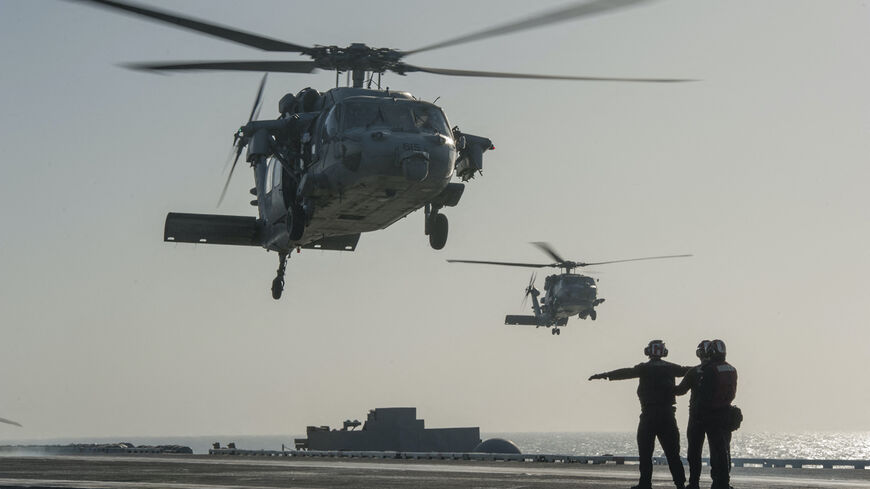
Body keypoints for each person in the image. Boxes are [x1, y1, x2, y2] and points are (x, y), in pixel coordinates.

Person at [589, 340, 692, 489]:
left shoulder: (644, 368)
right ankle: (680, 484)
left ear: (647, 351)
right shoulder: (671, 368)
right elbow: (688, 370)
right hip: (667, 415)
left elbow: (624, 372)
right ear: (664, 352)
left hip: (648, 415)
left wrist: (604, 375)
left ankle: (645, 484)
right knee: (672, 453)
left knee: (645, 453)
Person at [696, 339, 737, 489]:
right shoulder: (732, 369)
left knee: (716, 451)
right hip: (727, 414)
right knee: (725, 449)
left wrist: (700, 415)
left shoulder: (709, 370)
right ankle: (724, 481)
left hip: (713, 415)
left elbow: (705, 394)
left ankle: (720, 483)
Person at [674, 340, 712, 489]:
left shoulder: (695, 371)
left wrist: (662, 387)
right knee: (719, 451)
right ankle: (721, 482)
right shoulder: (721, 369)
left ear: (699, 354)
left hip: (696, 417)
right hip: (717, 417)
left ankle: (694, 483)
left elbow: (680, 391)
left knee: (694, 452)